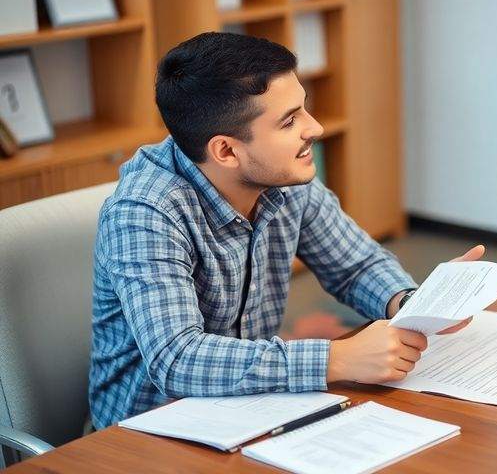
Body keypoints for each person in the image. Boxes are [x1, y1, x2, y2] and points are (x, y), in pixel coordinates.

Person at [89, 32, 477, 429]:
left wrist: (412, 303)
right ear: (226, 151)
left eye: (303, 109)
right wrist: (337, 359)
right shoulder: (145, 211)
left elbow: (355, 265)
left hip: (250, 405)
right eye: (289, 121)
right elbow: (177, 359)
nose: (316, 128)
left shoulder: (285, 178)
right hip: (148, 432)